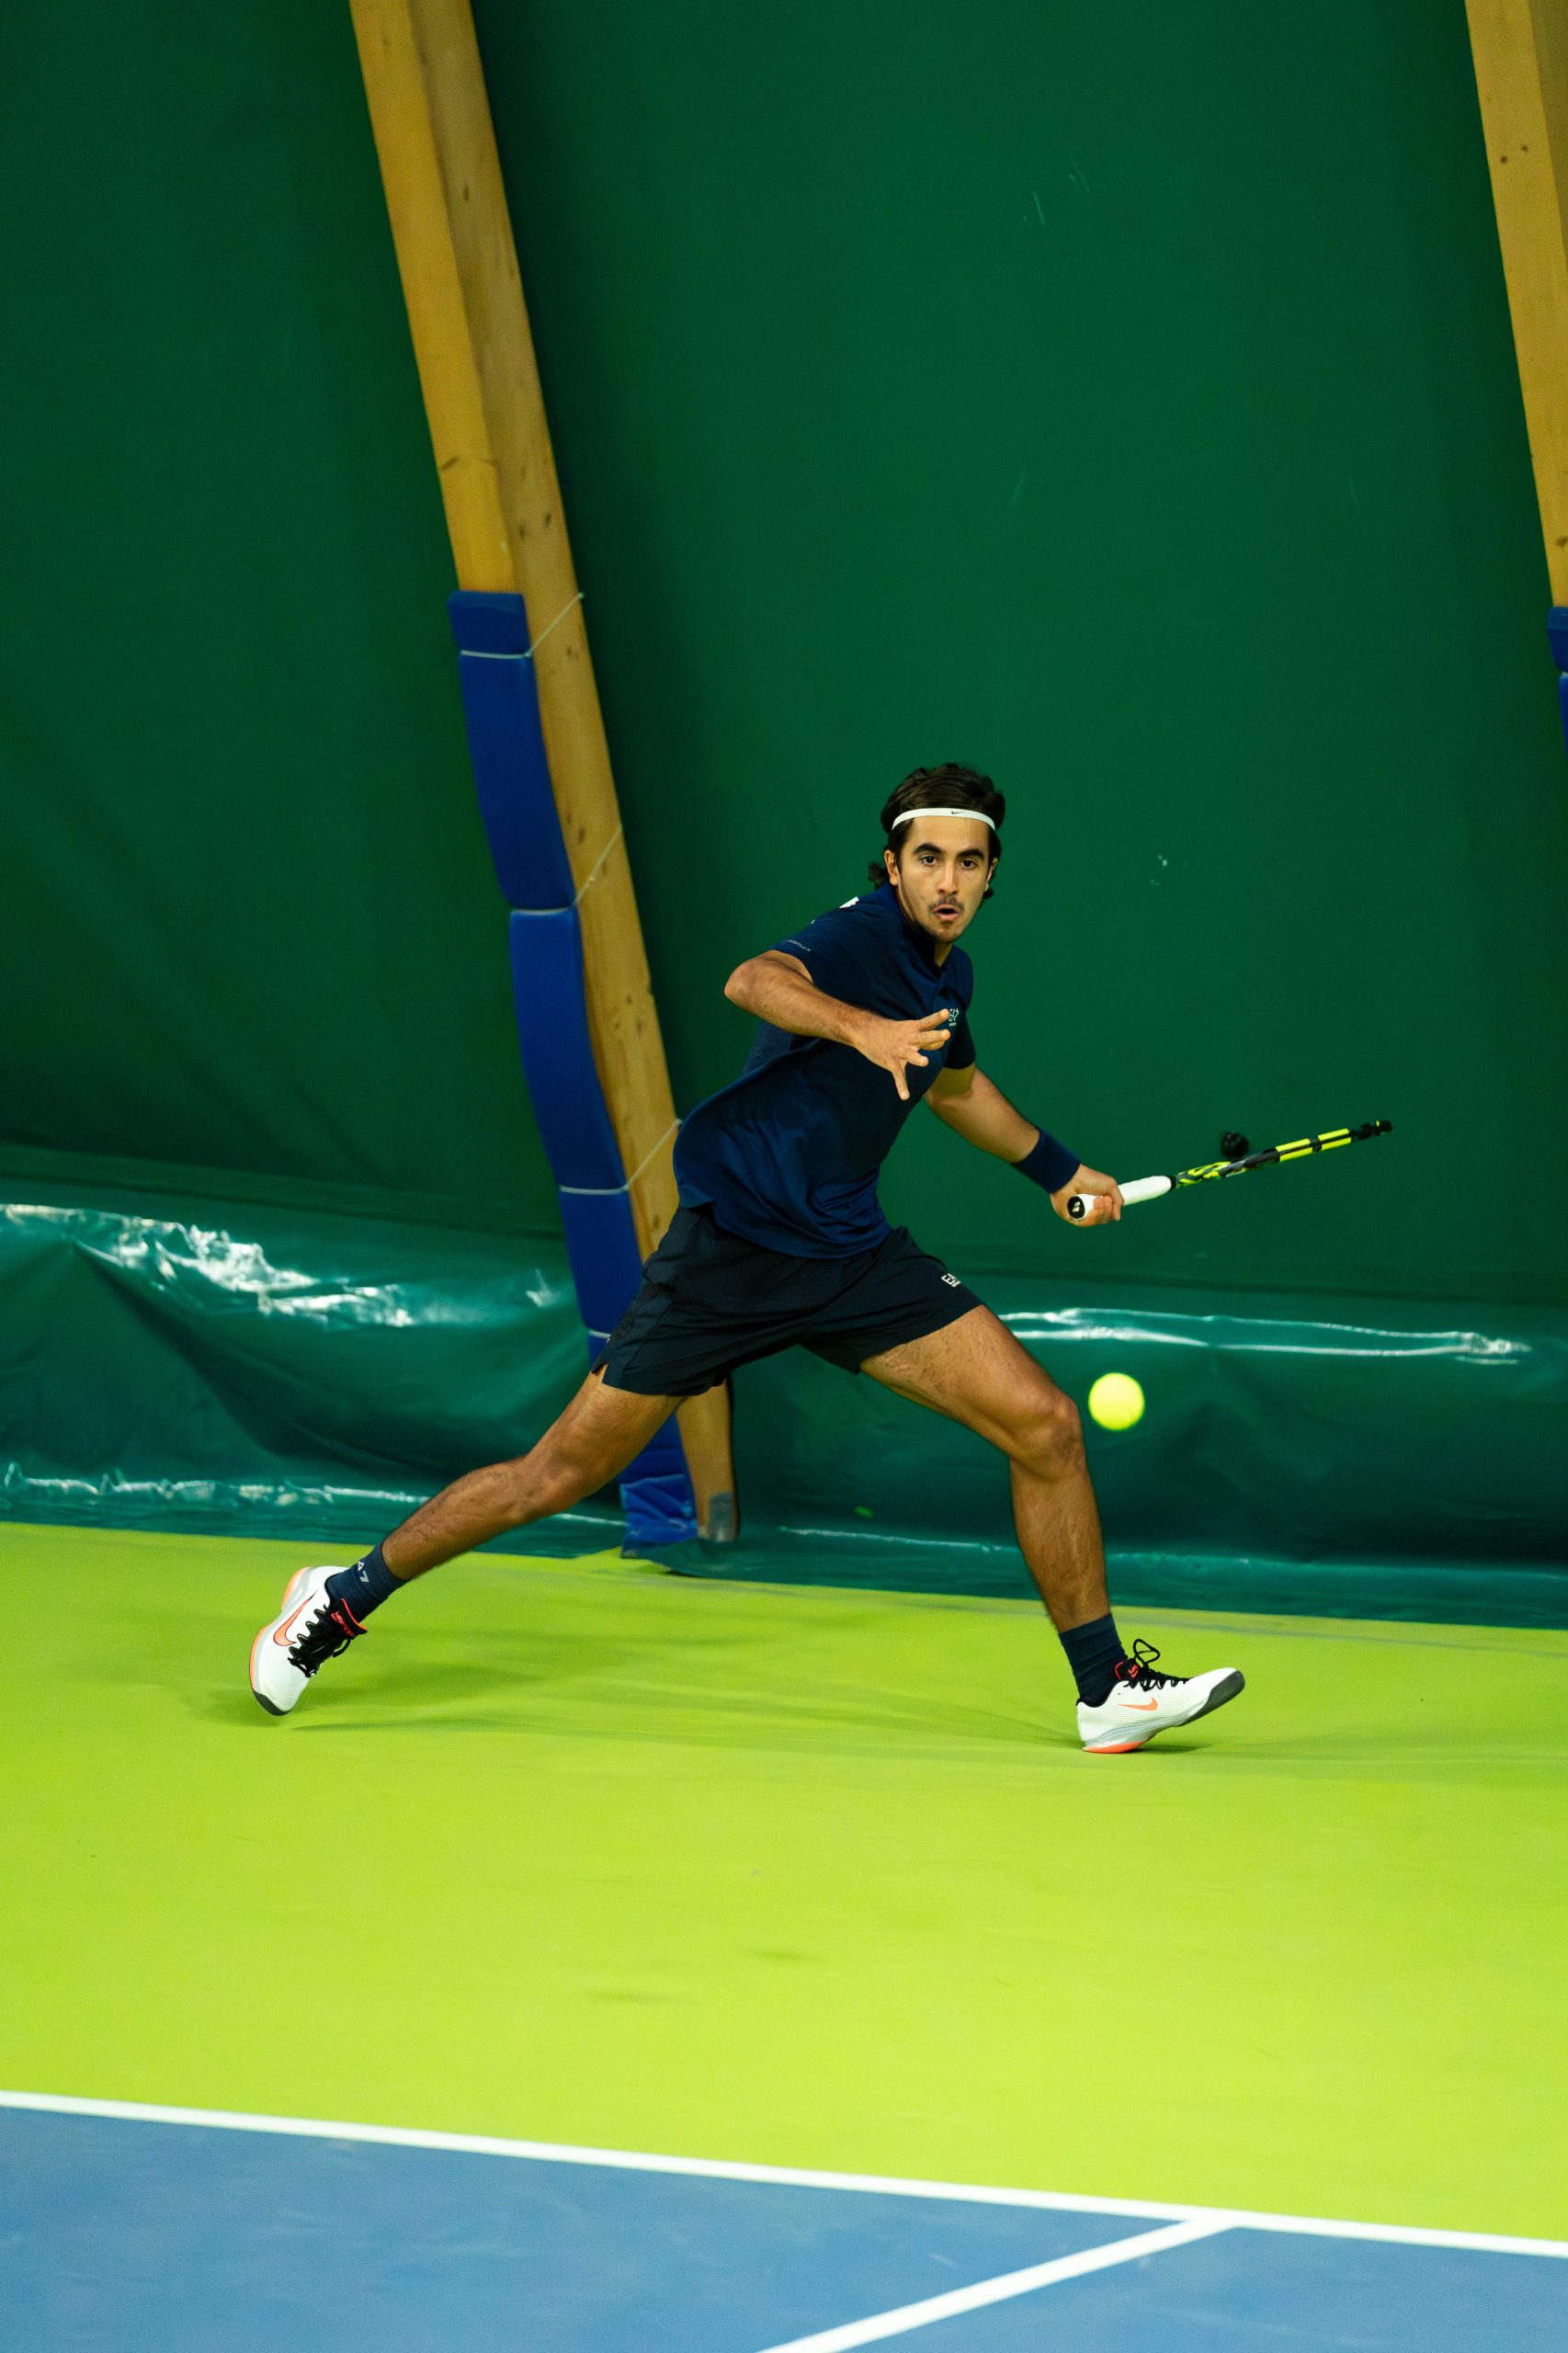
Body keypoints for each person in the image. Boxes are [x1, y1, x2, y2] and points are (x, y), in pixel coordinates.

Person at [249, 765, 1244, 1752]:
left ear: (992, 875)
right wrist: (862, 1029)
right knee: (556, 1473)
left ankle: (1106, 1689)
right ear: (892, 864)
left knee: (1044, 1425)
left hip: (849, 1254)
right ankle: (338, 1598)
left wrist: (1060, 1173)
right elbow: (753, 981)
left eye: (969, 863)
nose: (947, 881)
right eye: (928, 858)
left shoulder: (949, 975)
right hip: (730, 1255)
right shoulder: (859, 936)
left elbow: (953, 1088)